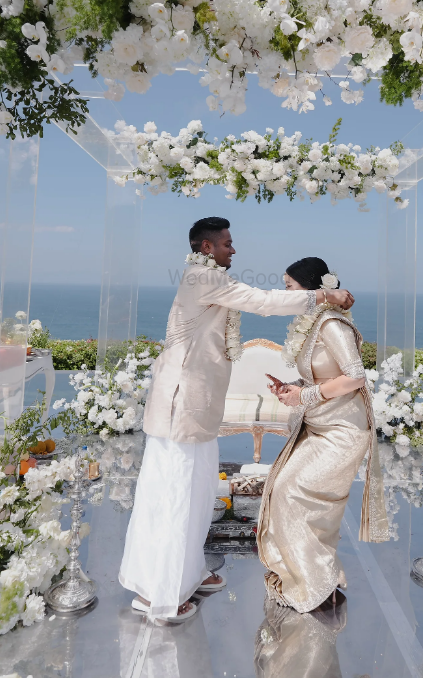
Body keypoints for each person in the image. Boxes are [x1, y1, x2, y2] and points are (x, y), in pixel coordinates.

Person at [119, 220, 356, 623]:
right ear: (207, 247)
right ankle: (159, 595)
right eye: (228, 244)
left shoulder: (208, 276)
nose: (235, 250)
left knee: (196, 493)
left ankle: (189, 573)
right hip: (181, 406)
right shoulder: (201, 277)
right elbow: (262, 300)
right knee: (175, 496)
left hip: (197, 408)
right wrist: (324, 295)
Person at [256, 257, 390, 613]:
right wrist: (293, 388)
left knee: (294, 493)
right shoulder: (310, 322)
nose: (285, 295)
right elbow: (318, 378)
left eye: (289, 287)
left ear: (312, 290)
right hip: (316, 425)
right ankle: (310, 577)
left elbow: (355, 377)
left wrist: (306, 396)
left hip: (343, 431)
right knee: (282, 489)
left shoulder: (331, 324)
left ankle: (317, 582)